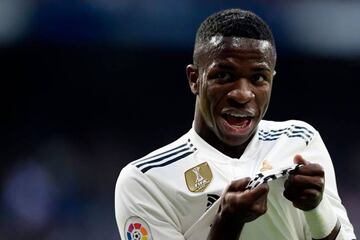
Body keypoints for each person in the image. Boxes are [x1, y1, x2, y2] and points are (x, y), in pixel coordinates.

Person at [115, 8, 356, 240]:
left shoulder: (299, 140)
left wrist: (317, 209)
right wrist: (227, 224)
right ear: (194, 79)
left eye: (258, 78)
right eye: (224, 76)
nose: (242, 94)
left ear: (271, 81)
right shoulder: (146, 181)